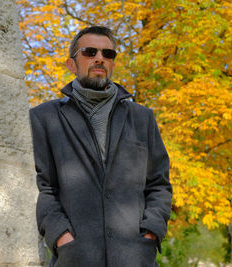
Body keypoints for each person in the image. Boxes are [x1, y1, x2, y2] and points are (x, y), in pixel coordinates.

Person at [29, 26, 172, 267]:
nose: (100, 58)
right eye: (89, 52)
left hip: (135, 259)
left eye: (108, 54)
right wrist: (62, 238)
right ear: (71, 64)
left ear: (113, 64)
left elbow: (159, 185)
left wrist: (151, 233)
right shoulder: (44, 118)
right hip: (75, 258)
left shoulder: (142, 118)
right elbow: (41, 187)